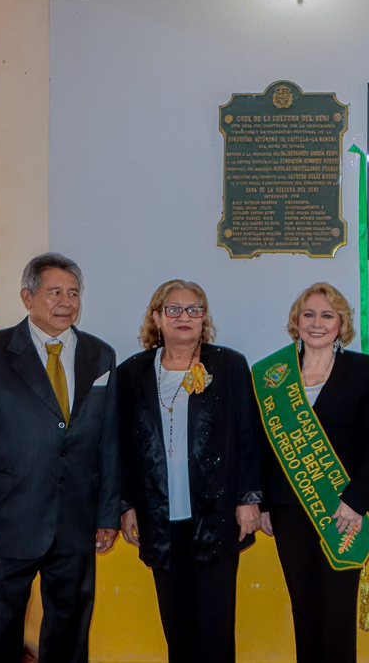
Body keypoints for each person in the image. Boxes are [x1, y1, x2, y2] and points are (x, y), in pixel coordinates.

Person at [0, 252, 121, 663]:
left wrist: (107, 514)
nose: (66, 302)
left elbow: (108, 442)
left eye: (73, 293)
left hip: (75, 525)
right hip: (6, 527)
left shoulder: (101, 355)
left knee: (70, 637)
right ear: (28, 297)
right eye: (54, 292)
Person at [117, 280, 261, 663]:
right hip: (159, 518)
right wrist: (126, 503)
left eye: (194, 310)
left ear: (204, 318)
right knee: (177, 628)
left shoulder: (228, 365)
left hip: (215, 517)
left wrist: (248, 499)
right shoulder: (131, 373)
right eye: (174, 309)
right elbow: (122, 448)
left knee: (215, 630)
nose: (185, 317)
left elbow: (248, 436)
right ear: (156, 317)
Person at [258, 282, 369, 663]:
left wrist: (355, 500)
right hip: (287, 509)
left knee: (337, 608)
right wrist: (263, 503)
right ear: (296, 321)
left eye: (327, 315)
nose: (317, 323)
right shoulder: (274, 374)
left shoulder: (364, 370)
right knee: (304, 605)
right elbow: (263, 446)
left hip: (342, 507)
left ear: (341, 323)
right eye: (309, 314)